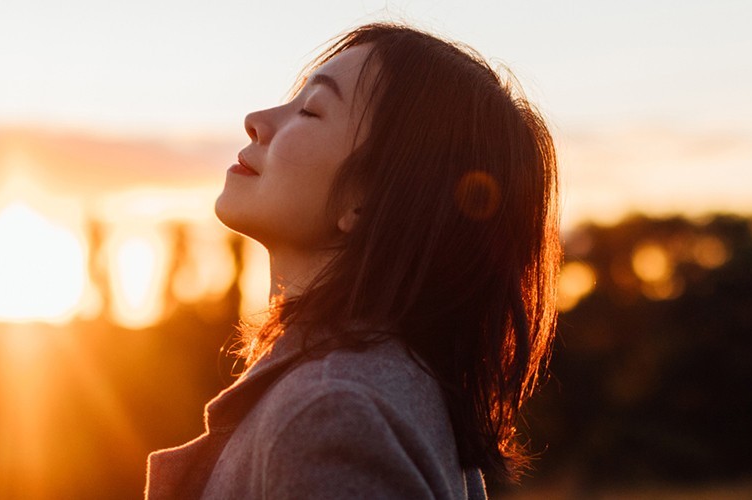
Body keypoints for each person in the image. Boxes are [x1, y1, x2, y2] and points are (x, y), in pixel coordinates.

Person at [145, 22, 559, 499]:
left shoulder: (332, 414)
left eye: (311, 110)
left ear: (369, 200)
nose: (257, 118)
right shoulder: (391, 390)